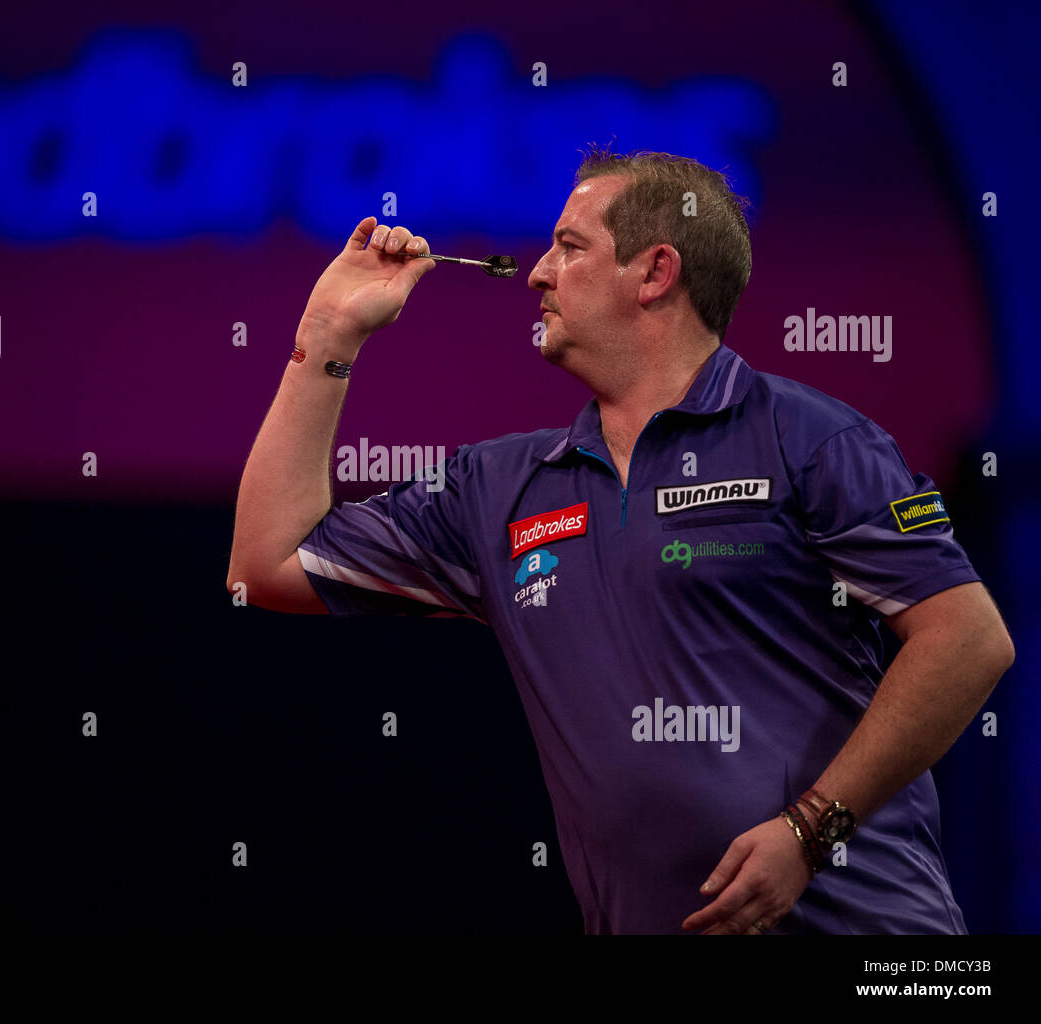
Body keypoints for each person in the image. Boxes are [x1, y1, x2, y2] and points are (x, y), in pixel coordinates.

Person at [225, 145, 1015, 934]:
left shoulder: (810, 440)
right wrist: (326, 335)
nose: (536, 274)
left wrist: (810, 833)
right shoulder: (497, 491)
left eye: (570, 249)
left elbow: (967, 640)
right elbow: (263, 566)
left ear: (655, 272)